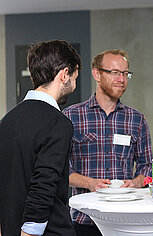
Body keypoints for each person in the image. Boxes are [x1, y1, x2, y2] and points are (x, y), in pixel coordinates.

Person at [63, 49, 153, 235]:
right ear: (97, 74)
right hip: (83, 222)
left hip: (125, 221)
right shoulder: (71, 116)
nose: (121, 79)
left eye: (125, 73)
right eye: (114, 73)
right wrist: (89, 183)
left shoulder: (136, 119)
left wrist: (136, 182)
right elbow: (61, 170)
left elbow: (148, 166)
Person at [0, 40, 81, 236]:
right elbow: (44, 185)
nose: (74, 85)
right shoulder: (58, 123)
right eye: (74, 77)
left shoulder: (6, 121)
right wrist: (29, 233)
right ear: (64, 75)